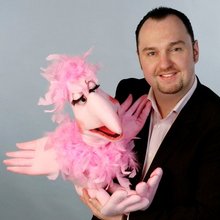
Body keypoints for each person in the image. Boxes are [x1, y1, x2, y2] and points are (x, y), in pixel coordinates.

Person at [81, 6, 220, 220]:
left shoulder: (217, 120)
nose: (164, 64)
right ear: (140, 58)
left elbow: (209, 214)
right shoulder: (129, 92)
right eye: (152, 53)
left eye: (175, 49)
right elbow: (107, 163)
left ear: (195, 51)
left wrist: (125, 218)